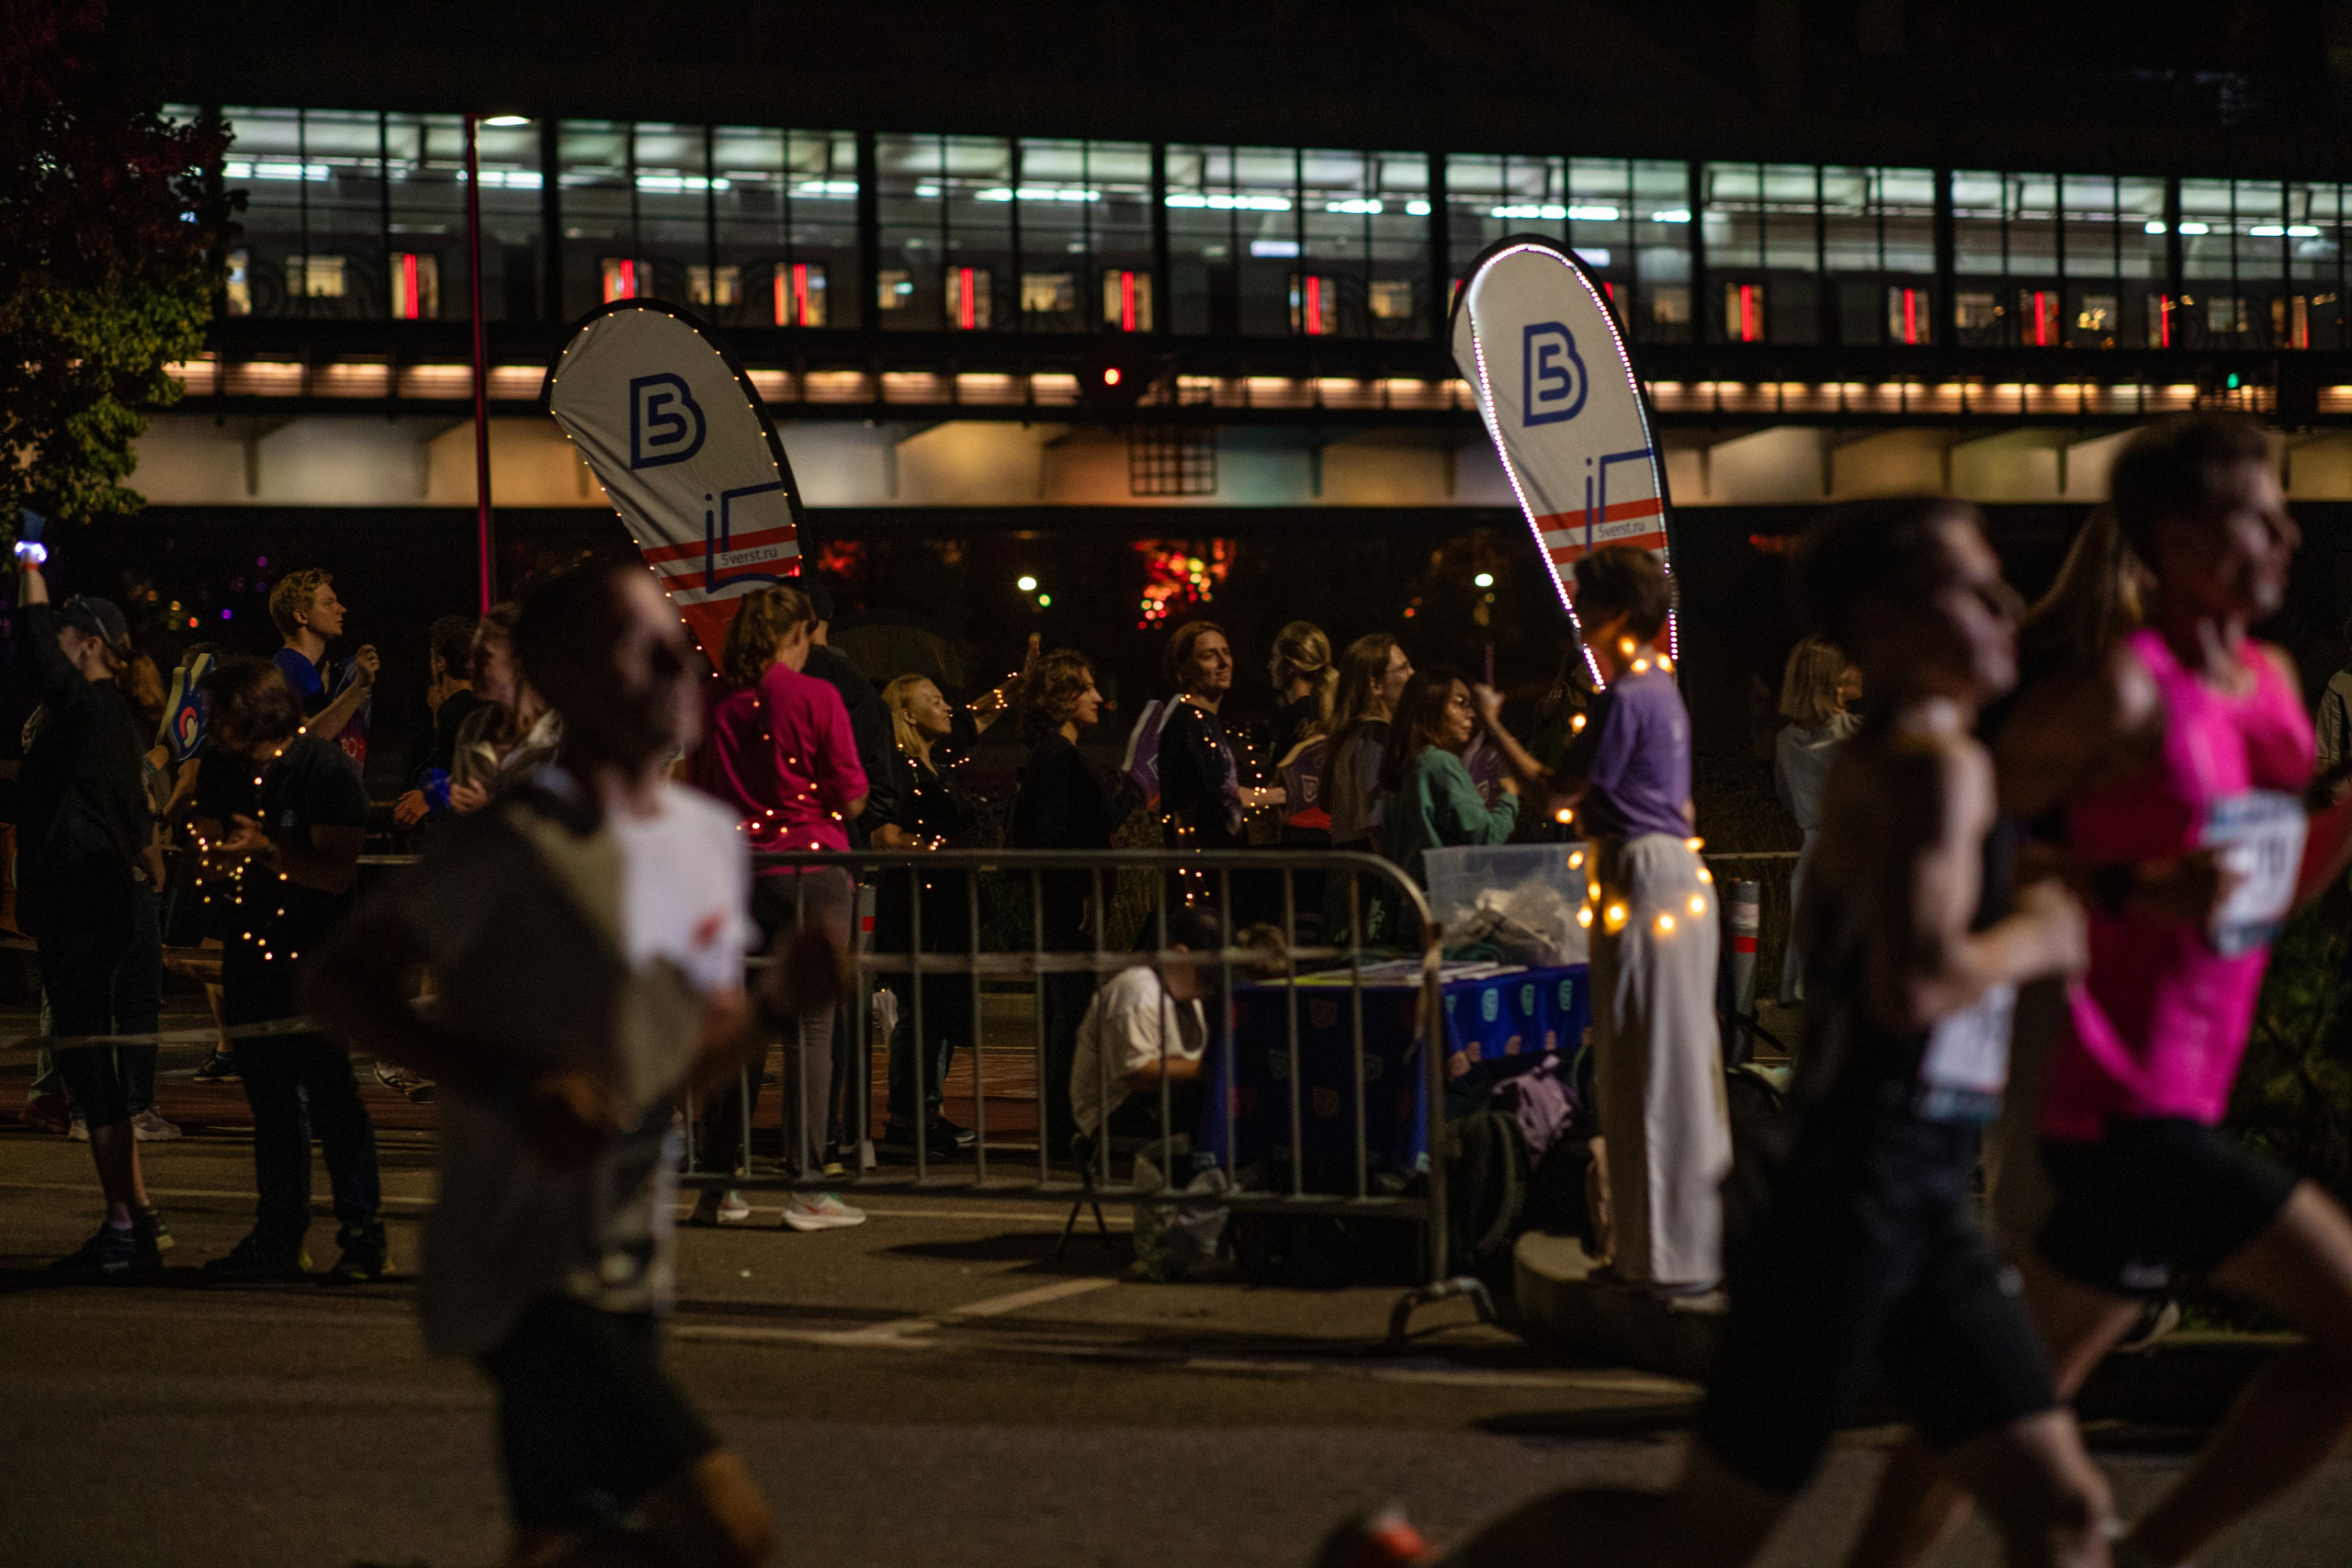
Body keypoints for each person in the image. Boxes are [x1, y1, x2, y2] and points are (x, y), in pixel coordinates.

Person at [1344, 499, 2112, 1568]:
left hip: (1911, 1191)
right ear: (1887, 624)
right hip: (1856, 1201)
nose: (2008, 610)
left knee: (2056, 1511)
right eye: (1973, 590)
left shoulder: (1925, 759)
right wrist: (2049, 929)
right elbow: (1915, 986)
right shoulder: (1921, 772)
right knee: (1701, 1531)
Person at [1850, 413, 2352, 1568]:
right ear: (2178, 544)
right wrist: (2124, 887)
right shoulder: (2119, 694)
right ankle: (2150, 1554)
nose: (2287, 533)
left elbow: (2259, 904)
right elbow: (1966, 840)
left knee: (2005, 1402)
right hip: (2120, 1109)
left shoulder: (2270, 687)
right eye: (2253, 514)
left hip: (2180, 1096)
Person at [308, 560, 817, 1568]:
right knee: (730, 1533)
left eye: (681, 645)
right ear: (569, 675)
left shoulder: (707, 842)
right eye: (650, 648)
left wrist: (771, 1007)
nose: (684, 665)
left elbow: (672, 1065)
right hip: (522, 1273)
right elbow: (339, 986)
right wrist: (508, 1086)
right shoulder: (509, 846)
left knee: (555, 1540)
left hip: (630, 1261)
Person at [1546, 546, 1724, 1296]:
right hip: (1672, 880)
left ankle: (1655, 1258)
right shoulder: (1663, 692)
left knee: (1644, 1066)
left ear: (1615, 612)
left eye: (1585, 604)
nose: (1578, 620)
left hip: (1642, 882)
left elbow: (1565, 791)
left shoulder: (1626, 698)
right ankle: (1677, 1248)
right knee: (1674, 1063)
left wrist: (1505, 734)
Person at [194, 656, 387, 1283]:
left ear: (255, 711)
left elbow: (336, 873)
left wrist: (269, 852)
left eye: (222, 714)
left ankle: (362, 1235)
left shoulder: (326, 770)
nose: (213, 728)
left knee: (333, 1098)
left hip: (316, 960)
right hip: (251, 954)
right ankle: (279, 1232)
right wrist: (220, 865)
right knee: (271, 1103)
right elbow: (223, 840)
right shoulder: (232, 769)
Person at [684, 583, 867, 1232]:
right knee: (812, 1026)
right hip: (811, 863)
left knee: (742, 1024)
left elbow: (697, 785)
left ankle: (718, 1183)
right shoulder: (816, 695)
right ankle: (807, 1184)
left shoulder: (711, 698)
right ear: (798, 632)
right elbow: (850, 792)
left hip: (737, 868)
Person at [16, 548, 170, 1278]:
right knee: (95, 1069)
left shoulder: (88, 704)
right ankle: (139, 1215)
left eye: (73, 634)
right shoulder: (110, 721)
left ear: (95, 647)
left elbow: (38, 655)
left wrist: (30, 568)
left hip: (80, 899)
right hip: (101, 898)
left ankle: (121, 1222)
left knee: (90, 1071)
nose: (62, 644)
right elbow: (139, 825)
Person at [1011, 648, 1131, 1158]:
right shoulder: (1059, 756)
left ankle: (1064, 1127)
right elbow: (1058, 831)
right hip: (1068, 902)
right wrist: (1079, 890)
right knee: (1072, 1015)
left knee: (1068, 1011)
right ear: (1063, 699)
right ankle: (1066, 1131)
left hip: (1065, 897)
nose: (1099, 698)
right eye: (1087, 689)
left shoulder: (1052, 754)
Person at [874, 671, 1001, 1155]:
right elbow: (884, 836)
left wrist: (1015, 687)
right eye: (935, 700)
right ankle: (909, 1116)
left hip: (947, 903)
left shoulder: (936, 762)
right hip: (917, 903)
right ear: (907, 713)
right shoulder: (896, 768)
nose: (948, 707)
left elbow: (979, 715)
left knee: (941, 1010)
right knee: (921, 1011)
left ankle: (929, 1109)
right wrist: (930, 846)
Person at [1069, 903, 1221, 1151]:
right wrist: (1210, 1067)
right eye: (1207, 977)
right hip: (1113, 1110)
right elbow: (1137, 1073)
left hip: (1158, 1098)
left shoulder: (1187, 995)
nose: (1210, 989)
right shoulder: (1138, 990)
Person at [1157, 619, 1282, 912]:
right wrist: (1278, 795)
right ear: (1182, 669)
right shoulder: (1188, 724)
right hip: (1207, 879)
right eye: (1209, 655)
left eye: (1226, 652)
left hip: (1223, 875)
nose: (1224, 662)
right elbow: (1199, 803)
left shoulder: (1206, 722)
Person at [1380, 667, 1534, 893]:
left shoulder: (1407, 764)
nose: (1470, 714)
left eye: (1470, 705)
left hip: (1414, 903)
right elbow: (1485, 839)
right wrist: (1510, 796)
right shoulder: (1440, 763)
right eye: (1460, 703)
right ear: (1429, 706)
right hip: (1449, 904)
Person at [1771, 635, 1860, 1003]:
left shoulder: (1785, 741)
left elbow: (1786, 797)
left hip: (1811, 852)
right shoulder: (1854, 733)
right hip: (1853, 852)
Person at [1321, 633, 1413, 945]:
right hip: (1370, 879)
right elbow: (1373, 820)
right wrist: (1399, 878)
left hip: (1350, 875)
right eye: (1402, 669)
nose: (1412, 675)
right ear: (1374, 685)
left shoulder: (1351, 734)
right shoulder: (1375, 735)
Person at [450, 604, 561, 813]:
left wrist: (492, 812)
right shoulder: (472, 730)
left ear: (519, 663)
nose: (470, 666)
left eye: (483, 657)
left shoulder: (562, 736)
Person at [266, 567, 379, 769]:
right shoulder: (292, 668)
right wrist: (359, 687)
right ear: (301, 616)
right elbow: (305, 741)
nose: (341, 609)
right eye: (329, 603)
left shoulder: (300, 667)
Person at [394, 614, 488, 829]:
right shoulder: (478, 705)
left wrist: (429, 794)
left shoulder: (457, 707)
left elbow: (449, 764)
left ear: (440, 663)